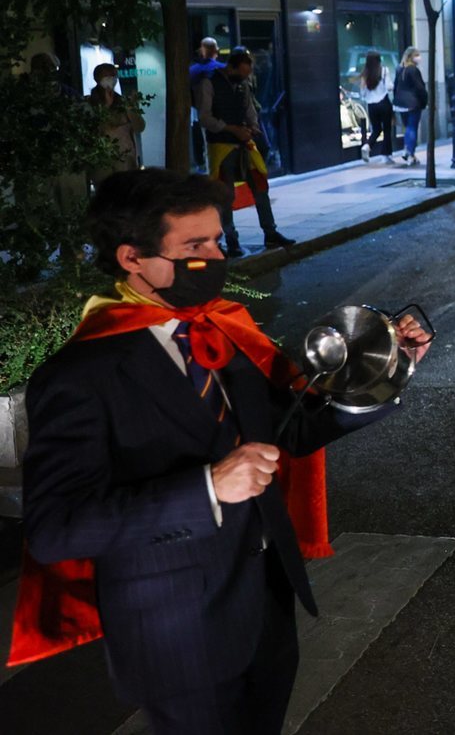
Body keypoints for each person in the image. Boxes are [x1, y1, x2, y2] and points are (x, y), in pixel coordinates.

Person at [20, 168, 431, 734]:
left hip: (265, 605)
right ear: (132, 258)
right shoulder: (81, 374)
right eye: (194, 246)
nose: (215, 257)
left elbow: (287, 434)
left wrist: (386, 371)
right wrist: (208, 487)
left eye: (217, 239)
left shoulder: (222, 330)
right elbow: (57, 528)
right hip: (174, 631)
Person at [194, 48, 295, 256]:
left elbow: (249, 109)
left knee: (260, 186)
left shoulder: (242, 84)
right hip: (221, 145)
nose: (245, 78)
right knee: (225, 194)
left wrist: (252, 126)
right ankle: (231, 240)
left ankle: (270, 232)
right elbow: (205, 118)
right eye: (242, 72)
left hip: (244, 142)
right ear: (231, 67)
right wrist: (231, 129)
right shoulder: (209, 83)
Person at [86, 62, 146, 183]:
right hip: (102, 162)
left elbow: (140, 127)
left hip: (126, 160)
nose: (111, 79)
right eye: (107, 76)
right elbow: (94, 130)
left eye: (114, 76)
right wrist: (106, 107)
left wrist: (130, 107)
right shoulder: (89, 103)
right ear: (97, 79)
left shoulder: (123, 102)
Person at [190, 38, 226, 171]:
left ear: (202, 51)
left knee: (204, 145)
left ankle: (206, 170)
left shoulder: (193, 71)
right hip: (222, 115)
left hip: (199, 114)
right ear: (216, 51)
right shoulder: (222, 69)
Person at [358, 51, 397, 164]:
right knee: (387, 129)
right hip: (384, 103)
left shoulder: (365, 74)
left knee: (376, 129)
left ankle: (367, 145)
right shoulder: (384, 70)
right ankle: (386, 155)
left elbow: (363, 92)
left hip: (372, 105)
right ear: (379, 60)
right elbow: (389, 87)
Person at [393, 46, 428, 165]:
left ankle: (407, 150)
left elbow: (395, 86)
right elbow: (420, 88)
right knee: (412, 127)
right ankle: (410, 153)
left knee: (407, 127)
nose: (419, 57)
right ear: (411, 57)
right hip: (413, 103)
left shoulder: (399, 68)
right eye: (416, 55)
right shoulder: (413, 70)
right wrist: (425, 101)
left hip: (400, 103)